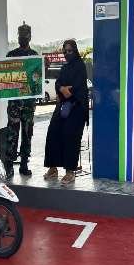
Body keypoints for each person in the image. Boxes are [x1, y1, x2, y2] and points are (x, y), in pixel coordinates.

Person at [44, 39, 89, 185]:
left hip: (77, 107)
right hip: (64, 105)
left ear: (75, 51)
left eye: (69, 51)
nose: (67, 53)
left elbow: (76, 87)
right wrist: (62, 88)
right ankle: (53, 167)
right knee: (53, 131)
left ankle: (70, 172)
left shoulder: (80, 66)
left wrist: (65, 90)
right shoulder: (65, 67)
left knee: (70, 135)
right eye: (65, 51)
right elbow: (58, 83)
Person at [5, 22, 38, 179]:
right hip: (14, 104)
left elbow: (38, 78)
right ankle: (9, 165)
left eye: (25, 35)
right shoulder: (11, 55)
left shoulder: (35, 56)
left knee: (27, 133)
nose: (22, 38)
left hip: (29, 105)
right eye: (20, 35)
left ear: (30, 37)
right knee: (12, 134)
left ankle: (24, 164)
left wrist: (43, 68)